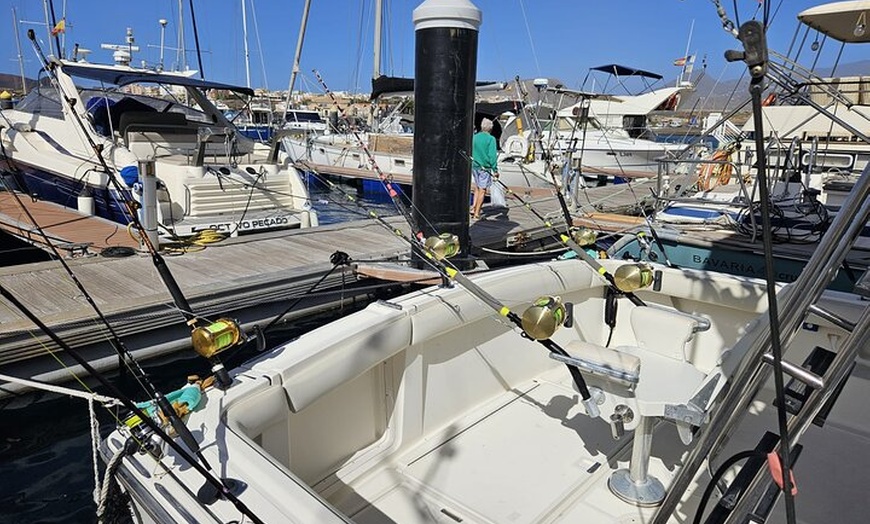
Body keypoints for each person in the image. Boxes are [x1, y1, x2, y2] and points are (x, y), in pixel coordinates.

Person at [471, 118, 498, 220]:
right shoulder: (491, 139)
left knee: (477, 187)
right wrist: (495, 170)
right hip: (484, 167)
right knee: (483, 190)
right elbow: (492, 156)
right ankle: (477, 213)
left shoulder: (475, 137)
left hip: (474, 165)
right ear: (490, 129)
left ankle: (473, 208)